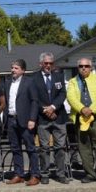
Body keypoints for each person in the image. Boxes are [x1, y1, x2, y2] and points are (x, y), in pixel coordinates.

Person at [66, 58, 96, 184]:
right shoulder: (73, 81)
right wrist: (81, 109)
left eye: (86, 66)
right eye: (81, 66)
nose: (84, 68)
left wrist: (91, 110)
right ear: (78, 67)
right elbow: (71, 97)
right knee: (84, 148)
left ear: (91, 67)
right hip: (80, 118)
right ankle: (90, 174)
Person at [31, 52, 69, 184]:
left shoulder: (59, 76)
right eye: (46, 63)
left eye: (51, 63)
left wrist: (53, 107)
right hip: (42, 119)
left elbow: (63, 93)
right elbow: (34, 98)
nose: (48, 65)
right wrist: (46, 110)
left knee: (60, 147)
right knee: (44, 148)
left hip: (59, 117)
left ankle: (61, 173)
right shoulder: (34, 78)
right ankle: (45, 173)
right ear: (41, 63)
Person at [3, 59, 40, 186]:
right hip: (11, 119)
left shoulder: (29, 82)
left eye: (16, 68)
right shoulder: (7, 83)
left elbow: (35, 101)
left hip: (25, 120)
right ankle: (19, 174)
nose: (13, 70)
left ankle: (35, 175)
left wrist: (32, 119)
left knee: (31, 148)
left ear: (23, 70)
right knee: (15, 148)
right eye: (12, 67)